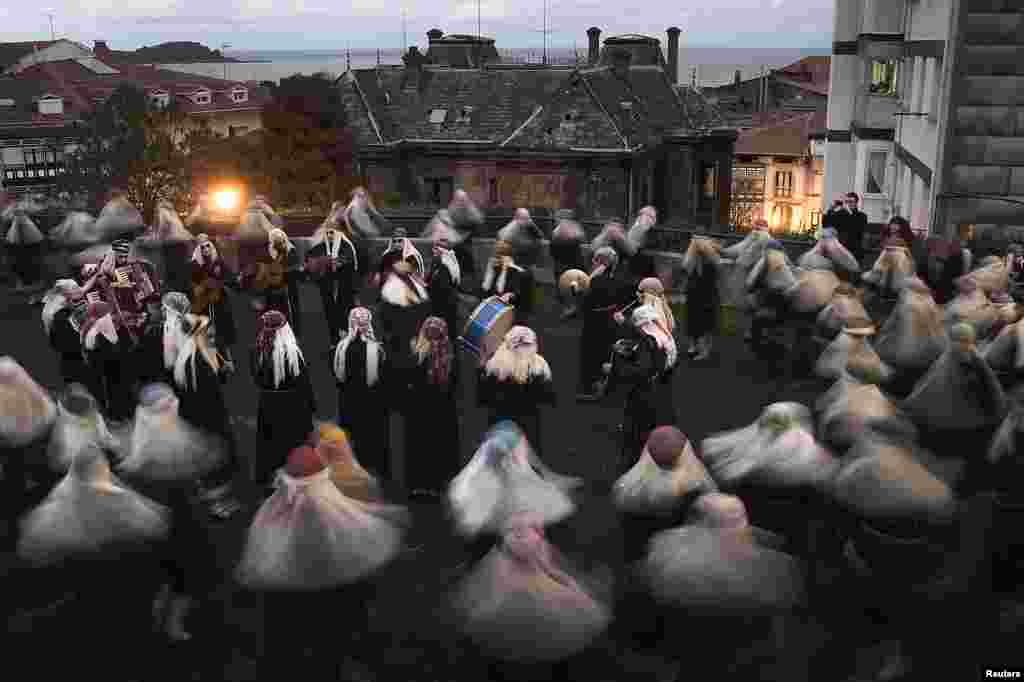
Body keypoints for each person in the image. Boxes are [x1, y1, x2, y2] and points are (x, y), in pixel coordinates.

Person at [236, 445, 407, 680]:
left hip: (287, 619)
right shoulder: (340, 522)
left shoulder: (272, 515)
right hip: (329, 616)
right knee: (326, 656)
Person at [170, 311, 243, 520]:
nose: (212, 337)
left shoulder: (190, 357)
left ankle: (213, 495)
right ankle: (219, 505)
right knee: (217, 463)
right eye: (208, 334)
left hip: (202, 418)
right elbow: (206, 397)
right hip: (208, 420)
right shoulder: (197, 363)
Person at [250, 310, 318, 490]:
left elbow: (256, 380)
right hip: (293, 408)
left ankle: (273, 481)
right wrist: (311, 409)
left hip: (268, 406)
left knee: (272, 445)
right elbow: (304, 385)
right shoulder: (293, 354)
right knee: (293, 445)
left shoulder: (257, 351)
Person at [610, 305, 678, 469]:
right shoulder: (665, 339)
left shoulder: (647, 342)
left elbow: (641, 370)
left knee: (637, 436)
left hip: (644, 396)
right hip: (661, 393)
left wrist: (619, 366)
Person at [478, 326, 556, 457]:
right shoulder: (539, 365)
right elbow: (548, 398)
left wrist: (481, 366)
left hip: (500, 424)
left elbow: (482, 398)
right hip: (528, 425)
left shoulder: (493, 364)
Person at [404, 317, 461, 499]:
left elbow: (408, 378)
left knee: (420, 446)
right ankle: (435, 485)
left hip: (421, 409)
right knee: (436, 446)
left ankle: (420, 484)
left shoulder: (415, 348)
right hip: (439, 409)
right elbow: (455, 384)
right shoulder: (449, 352)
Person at [334, 307, 391, 483]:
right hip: (371, 403)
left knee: (352, 435)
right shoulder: (378, 350)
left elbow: (338, 376)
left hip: (349, 401)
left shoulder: (341, 348)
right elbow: (382, 378)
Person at [577, 247, 634, 401]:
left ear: (601, 262)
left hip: (594, 323)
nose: (592, 262)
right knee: (608, 353)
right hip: (611, 322)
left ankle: (593, 386)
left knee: (591, 354)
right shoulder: (621, 280)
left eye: (595, 260)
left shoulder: (594, 281)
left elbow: (583, 304)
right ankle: (607, 385)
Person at [306, 219, 360, 347]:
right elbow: (310, 261)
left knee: (345, 310)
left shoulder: (347, 246)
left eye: (332, 232)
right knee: (329, 312)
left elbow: (348, 261)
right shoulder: (320, 247)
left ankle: (347, 337)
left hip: (343, 286)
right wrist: (321, 262)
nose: (330, 235)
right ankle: (334, 339)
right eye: (327, 232)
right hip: (327, 287)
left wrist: (333, 262)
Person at [190, 233, 240, 366]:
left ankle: (227, 361)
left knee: (222, 332)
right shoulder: (194, 265)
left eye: (208, 246)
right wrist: (203, 286)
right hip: (203, 304)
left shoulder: (218, 262)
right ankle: (207, 362)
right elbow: (192, 286)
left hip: (219, 302)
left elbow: (230, 277)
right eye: (202, 248)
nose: (206, 249)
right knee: (205, 334)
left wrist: (229, 281)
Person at [41, 280, 94, 390]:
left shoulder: (62, 300)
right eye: (76, 300)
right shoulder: (59, 318)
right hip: (77, 368)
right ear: (66, 299)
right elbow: (72, 345)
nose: (81, 303)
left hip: (76, 362)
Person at [680, 236, 724, 362]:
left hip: (707, 294)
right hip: (694, 293)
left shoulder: (711, 263)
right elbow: (686, 270)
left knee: (706, 320)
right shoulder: (693, 259)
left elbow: (718, 270)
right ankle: (694, 345)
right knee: (692, 318)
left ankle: (704, 349)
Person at [481, 239, 535, 323]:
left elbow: (501, 291)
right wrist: (489, 271)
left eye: (499, 255)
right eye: (495, 255)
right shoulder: (494, 269)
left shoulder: (521, 273)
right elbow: (485, 290)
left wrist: (505, 269)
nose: (496, 259)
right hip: (494, 314)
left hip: (513, 315)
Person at [427, 232, 462, 351]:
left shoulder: (445, 266)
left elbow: (441, 288)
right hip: (439, 305)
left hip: (445, 308)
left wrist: (426, 286)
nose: (433, 251)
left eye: (436, 249)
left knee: (448, 336)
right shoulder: (437, 263)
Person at [549, 209, 587, 320]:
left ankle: (569, 309)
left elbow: (553, 251)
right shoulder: (576, 230)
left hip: (562, 265)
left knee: (565, 289)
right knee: (575, 288)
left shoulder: (557, 232)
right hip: (576, 264)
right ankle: (574, 308)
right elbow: (582, 242)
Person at [5, 209, 44, 291]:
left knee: (25, 265)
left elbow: (11, 240)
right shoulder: (27, 222)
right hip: (27, 249)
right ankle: (29, 281)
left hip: (23, 250)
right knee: (27, 265)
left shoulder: (17, 223)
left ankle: (28, 281)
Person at [831, 192, 868, 266]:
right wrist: (832, 209)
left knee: (853, 274)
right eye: (846, 202)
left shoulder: (862, 216)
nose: (848, 204)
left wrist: (849, 213)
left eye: (851, 201)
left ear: (856, 203)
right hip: (841, 250)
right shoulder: (839, 214)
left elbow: (857, 230)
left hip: (855, 251)